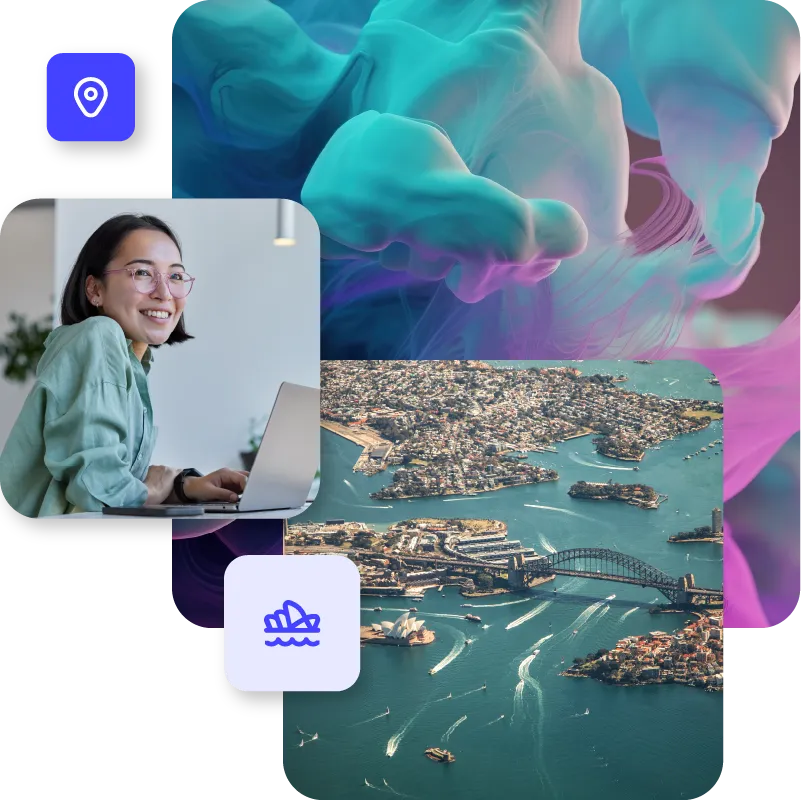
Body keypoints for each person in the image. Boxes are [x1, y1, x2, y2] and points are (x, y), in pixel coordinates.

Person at [0, 213, 247, 517]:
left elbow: (111, 473)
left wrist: (185, 486)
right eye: (142, 273)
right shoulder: (98, 336)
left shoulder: (131, 363)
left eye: (176, 276)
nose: (164, 292)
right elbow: (101, 489)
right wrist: (153, 491)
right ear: (95, 290)